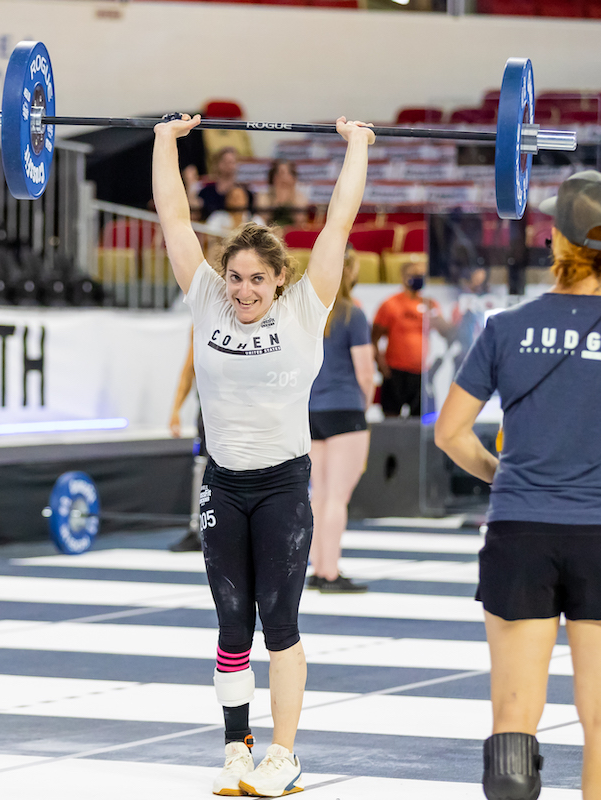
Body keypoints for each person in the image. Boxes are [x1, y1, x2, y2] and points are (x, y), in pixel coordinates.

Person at [434, 171, 601, 800]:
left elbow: (450, 433)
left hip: (521, 531)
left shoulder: (505, 328)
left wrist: (503, 477)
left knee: (514, 722)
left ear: (555, 240)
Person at [153, 112, 372, 797]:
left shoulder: (307, 312)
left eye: (255, 279)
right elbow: (175, 222)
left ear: (280, 279)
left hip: (281, 487)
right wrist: (165, 143)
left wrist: (357, 146)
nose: (242, 291)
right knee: (229, 624)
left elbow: (337, 224)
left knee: (279, 623)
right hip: (223, 486)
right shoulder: (208, 305)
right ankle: (236, 748)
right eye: (235, 277)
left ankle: (284, 753)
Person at [307, 246, 375, 594]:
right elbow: (365, 372)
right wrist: (363, 405)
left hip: (311, 411)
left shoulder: (310, 315)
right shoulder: (353, 314)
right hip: (345, 409)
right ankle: (330, 573)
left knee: (317, 496)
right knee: (336, 497)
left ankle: (318, 568)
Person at [372, 256, 453, 417]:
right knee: (391, 420)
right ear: (404, 277)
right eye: (414, 274)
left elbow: (448, 333)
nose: (419, 277)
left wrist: (435, 314)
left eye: (422, 274)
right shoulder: (390, 305)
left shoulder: (430, 304)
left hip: (420, 374)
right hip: (395, 372)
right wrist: (382, 366)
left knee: (421, 422)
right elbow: (373, 338)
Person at [168, 327, 207, 553]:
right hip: (210, 411)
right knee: (202, 467)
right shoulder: (201, 322)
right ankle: (197, 528)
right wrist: (175, 410)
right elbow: (189, 368)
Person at [198, 147, 250, 221]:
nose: (229, 166)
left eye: (232, 162)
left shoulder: (244, 192)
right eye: (226, 162)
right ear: (218, 164)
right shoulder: (207, 192)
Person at [254, 160, 309, 229]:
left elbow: (300, 221)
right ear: (273, 177)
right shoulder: (264, 196)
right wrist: (275, 198)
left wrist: (290, 197)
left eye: (288, 173)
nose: (284, 178)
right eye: (280, 174)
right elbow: (262, 220)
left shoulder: (300, 197)